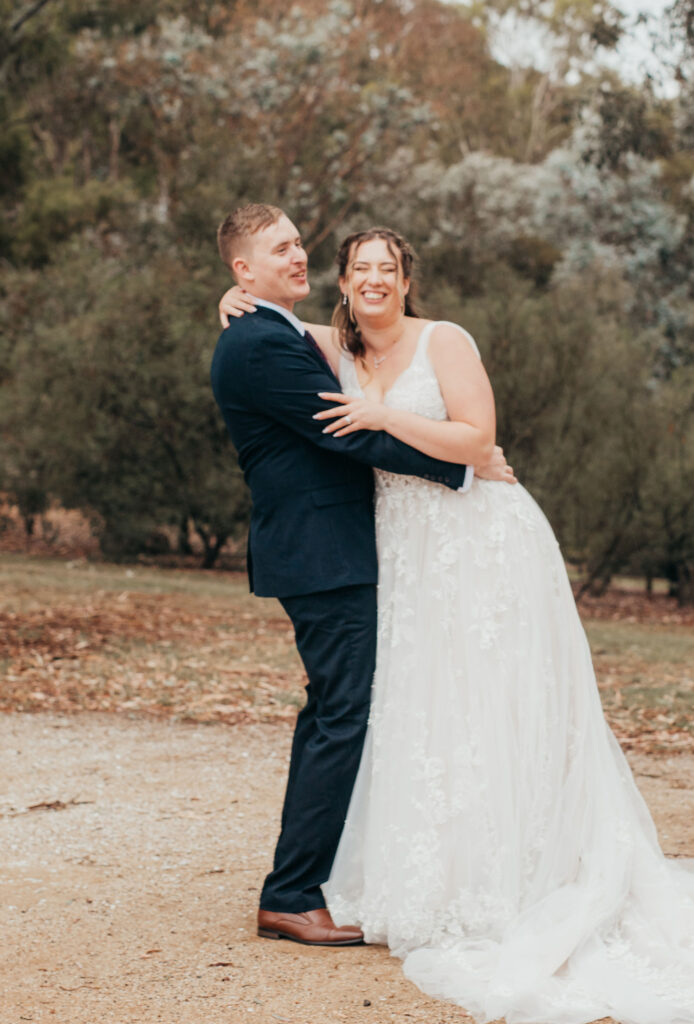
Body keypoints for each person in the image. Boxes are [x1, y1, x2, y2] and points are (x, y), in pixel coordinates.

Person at [219, 226, 694, 1024]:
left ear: (407, 279)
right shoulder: (333, 350)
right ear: (343, 283)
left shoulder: (445, 340)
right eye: (360, 268)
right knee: (420, 703)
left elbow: (477, 439)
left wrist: (406, 429)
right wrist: (232, 294)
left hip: (479, 540)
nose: (373, 279)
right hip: (404, 551)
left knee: (493, 695)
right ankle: (432, 868)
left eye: (388, 268)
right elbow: (273, 325)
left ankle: (520, 869)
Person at [210, 205, 513, 949]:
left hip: (344, 547)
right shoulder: (256, 342)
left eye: (299, 243)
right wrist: (461, 466)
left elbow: (349, 363)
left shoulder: (278, 328)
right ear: (243, 270)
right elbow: (341, 430)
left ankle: (313, 880)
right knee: (341, 714)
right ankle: (290, 894)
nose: (297, 255)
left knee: (343, 711)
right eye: (279, 249)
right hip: (321, 552)